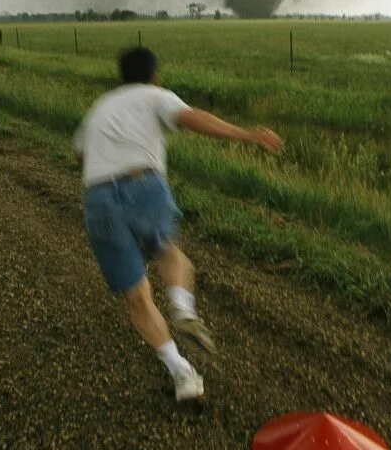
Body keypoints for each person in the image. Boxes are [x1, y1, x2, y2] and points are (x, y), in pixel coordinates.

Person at [73, 46, 283, 401]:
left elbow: (79, 153)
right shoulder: (156, 95)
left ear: (121, 76)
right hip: (141, 182)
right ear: (155, 76)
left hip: (96, 199)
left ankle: (181, 372)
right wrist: (246, 135)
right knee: (168, 251)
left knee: (136, 296)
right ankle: (184, 310)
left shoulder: (100, 107)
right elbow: (190, 117)